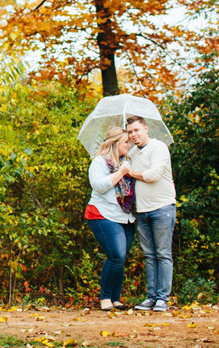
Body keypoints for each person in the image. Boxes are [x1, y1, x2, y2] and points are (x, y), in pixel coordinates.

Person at [126, 115, 176, 312]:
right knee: (149, 255)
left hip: (162, 207)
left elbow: (154, 175)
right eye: (130, 132)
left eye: (136, 130)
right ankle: (151, 297)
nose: (133, 134)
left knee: (163, 254)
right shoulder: (132, 153)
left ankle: (163, 299)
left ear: (146, 129)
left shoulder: (159, 147)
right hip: (142, 211)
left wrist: (130, 172)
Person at [85, 126, 136, 312]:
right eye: (125, 142)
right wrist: (121, 172)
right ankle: (105, 297)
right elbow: (98, 186)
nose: (129, 144)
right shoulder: (99, 162)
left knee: (119, 259)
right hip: (102, 213)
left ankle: (116, 298)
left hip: (126, 217)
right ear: (115, 143)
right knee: (116, 255)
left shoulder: (128, 161)